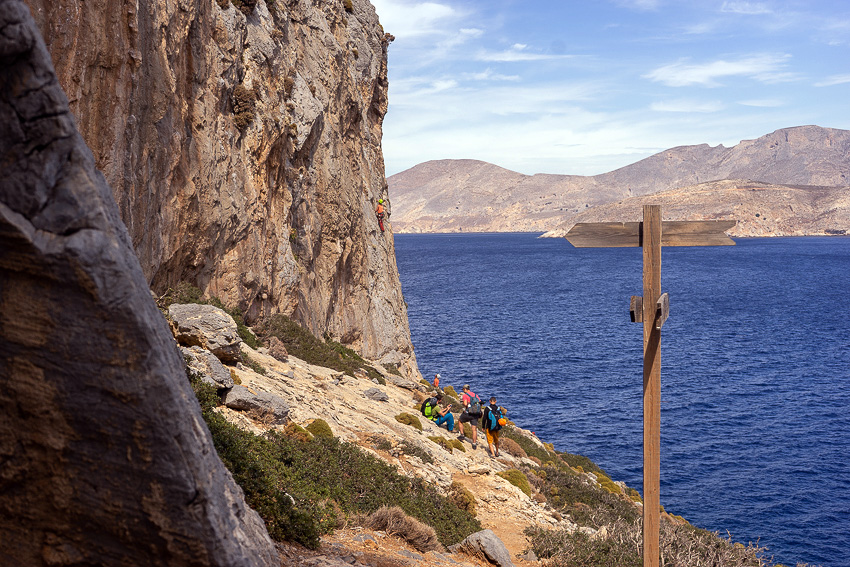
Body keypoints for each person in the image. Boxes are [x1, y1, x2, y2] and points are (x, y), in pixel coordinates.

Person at [458, 384, 483, 449]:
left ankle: (462, 435)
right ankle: (474, 443)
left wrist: (464, 403)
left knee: (460, 421)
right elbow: (480, 403)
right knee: (474, 429)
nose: (463, 391)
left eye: (463, 389)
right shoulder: (475, 395)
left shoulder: (465, 395)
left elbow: (465, 404)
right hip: (475, 414)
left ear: (465, 389)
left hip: (468, 413)